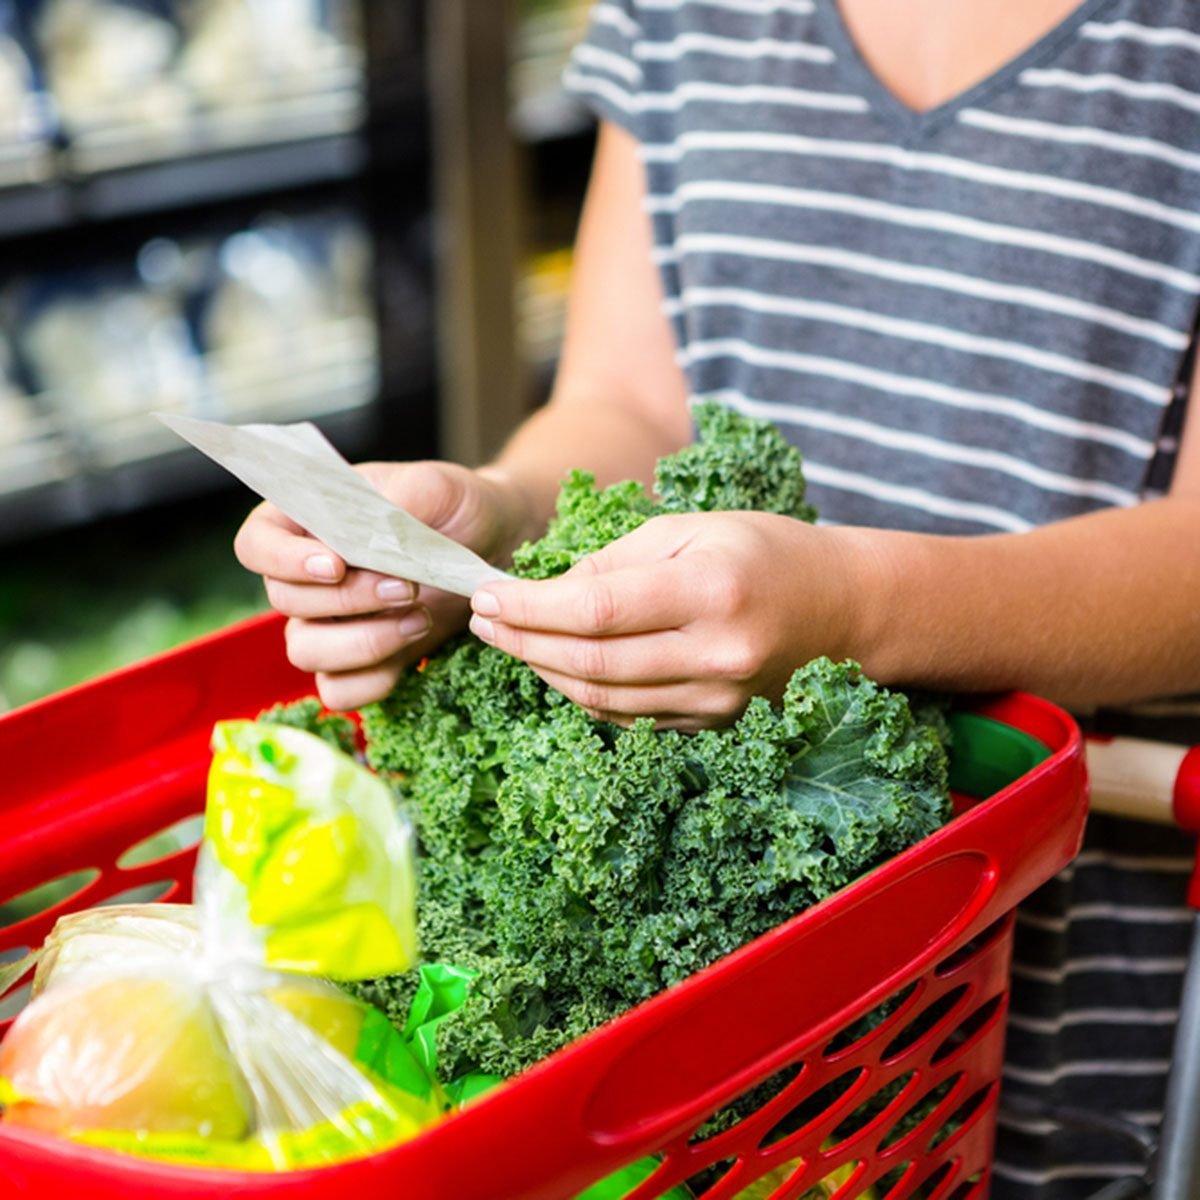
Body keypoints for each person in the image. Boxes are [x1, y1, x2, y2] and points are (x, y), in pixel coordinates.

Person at [235, 0, 1200, 1193]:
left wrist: (852, 611)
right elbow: (630, 408)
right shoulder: (688, 16)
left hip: (1053, 958)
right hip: (717, 1038)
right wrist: (495, 512)